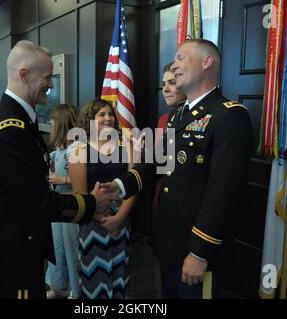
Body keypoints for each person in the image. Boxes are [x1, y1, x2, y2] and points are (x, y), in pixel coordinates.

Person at [102, 39, 253, 299]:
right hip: (169, 242)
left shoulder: (229, 116)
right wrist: (121, 185)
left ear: (207, 62)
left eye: (182, 58)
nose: (174, 64)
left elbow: (223, 193)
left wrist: (199, 251)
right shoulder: (178, 114)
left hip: (198, 249)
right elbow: (158, 164)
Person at [0, 40, 111, 299]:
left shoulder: (17, 118)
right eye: (47, 77)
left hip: (18, 244)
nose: (51, 84)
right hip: (13, 255)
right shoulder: (10, 129)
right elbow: (37, 201)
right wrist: (92, 203)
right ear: (23, 74)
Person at [69, 98, 137, 299]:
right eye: (101, 114)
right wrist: (103, 219)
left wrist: (118, 219)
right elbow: (80, 195)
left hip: (122, 219)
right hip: (92, 223)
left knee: (120, 278)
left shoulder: (127, 147)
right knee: (95, 282)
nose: (107, 118)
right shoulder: (79, 150)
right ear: (90, 119)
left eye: (110, 114)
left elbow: (134, 187)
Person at [45, 104, 81, 299]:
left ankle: (76, 290)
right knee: (56, 247)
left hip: (71, 205)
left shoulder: (76, 148)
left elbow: (83, 179)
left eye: (53, 119)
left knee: (71, 250)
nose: (50, 122)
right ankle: (59, 286)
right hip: (58, 204)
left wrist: (62, 180)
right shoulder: (61, 148)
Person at [152, 62, 187, 211]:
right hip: (163, 197)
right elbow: (159, 163)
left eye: (172, 83)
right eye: (163, 84)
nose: (165, 89)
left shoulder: (201, 118)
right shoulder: (163, 119)